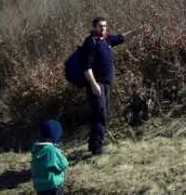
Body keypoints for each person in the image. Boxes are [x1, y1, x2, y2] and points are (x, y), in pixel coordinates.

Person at [79, 16, 135, 155]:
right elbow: (87, 68)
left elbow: (121, 38)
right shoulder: (90, 43)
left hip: (106, 84)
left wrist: (138, 31)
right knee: (101, 115)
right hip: (97, 85)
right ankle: (97, 149)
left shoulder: (106, 39)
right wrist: (94, 85)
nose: (103, 28)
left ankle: (93, 145)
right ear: (94, 27)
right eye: (100, 26)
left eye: (105, 26)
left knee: (101, 114)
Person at [30, 119, 69, 195]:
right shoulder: (52, 150)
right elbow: (63, 164)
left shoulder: (35, 150)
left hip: (40, 187)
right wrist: (61, 153)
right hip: (53, 186)